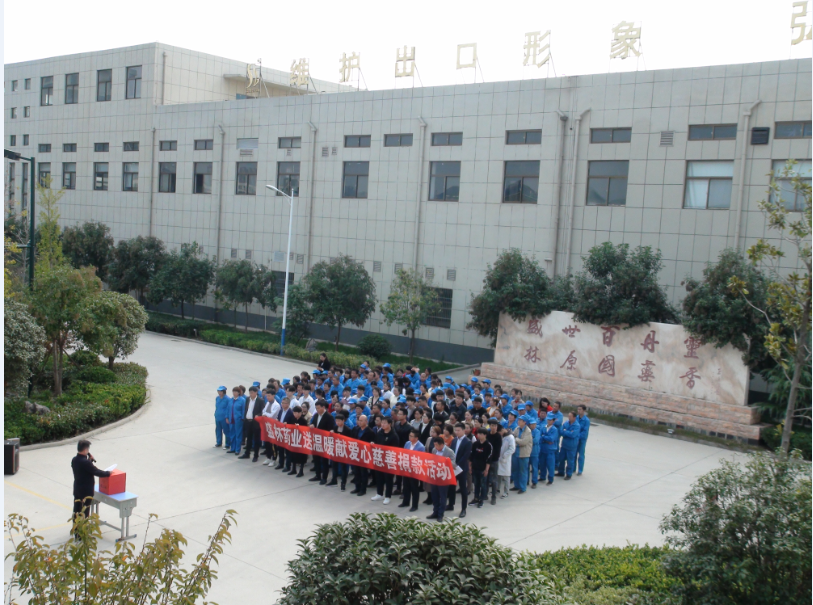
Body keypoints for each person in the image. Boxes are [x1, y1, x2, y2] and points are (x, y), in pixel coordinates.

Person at [71, 439, 111, 525]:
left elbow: (83, 469)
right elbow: (96, 472)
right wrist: (108, 473)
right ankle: (83, 530)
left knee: (77, 509)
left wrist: (89, 460)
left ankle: (75, 528)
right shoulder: (85, 463)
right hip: (86, 492)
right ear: (85, 450)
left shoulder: (74, 460)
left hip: (77, 489)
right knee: (84, 511)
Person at [371, 416, 399, 504]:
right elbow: (376, 441)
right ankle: (379, 494)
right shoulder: (380, 433)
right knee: (379, 477)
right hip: (379, 458)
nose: (382, 425)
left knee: (388, 479)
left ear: (389, 424)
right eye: (382, 423)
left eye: (384, 423)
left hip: (389, 460)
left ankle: (388, 496)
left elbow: (395, 449)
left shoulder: (394, 435)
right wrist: (373, 443)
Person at [427, 436, 455, 522]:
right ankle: (435, 512)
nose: (435, 447)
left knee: (442, 496)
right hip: (435, 476)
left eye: (437, 445)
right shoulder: (434, 450)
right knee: (434, 495)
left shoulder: (449, 451)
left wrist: (446, 461)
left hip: (444, 477)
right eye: (434, 445)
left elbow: (454, 463)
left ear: (442, 444)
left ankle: (440, 514)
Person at [446, 423, 472, 518]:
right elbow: (451, 452)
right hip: (453, 467)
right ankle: (450, 504)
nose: (457, 432)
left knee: (463, 488)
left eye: (458, 430)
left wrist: (456, 465)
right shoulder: (454, 440)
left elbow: (465, 456)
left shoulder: (467, 442)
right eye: (455, 430)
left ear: (463, 430)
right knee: (451, 487)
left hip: (461, 468)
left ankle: (463, 508)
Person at [309, 399, 336, 484]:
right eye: (316, 408)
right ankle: (317, 475)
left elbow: (331, 429)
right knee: (316, 459)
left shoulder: (329, 417)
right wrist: (312, 426)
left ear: (323, 407)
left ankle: (324, 477)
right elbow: (313, 424)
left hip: (324, 441)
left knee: (324, 461)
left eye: (318, 408)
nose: (317, 410)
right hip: (316, 440)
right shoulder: (316, 415)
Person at [398, 428, 425, 512]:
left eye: (411, 436)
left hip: (414, 470)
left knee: (414, 488)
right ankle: (405, 502)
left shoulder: (421, 447)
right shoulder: (407, 443)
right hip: (406, 468)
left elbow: (421, 459)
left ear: (416, 438)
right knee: (406, 486)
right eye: (409, 435)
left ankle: (414, 505)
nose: (409, 437)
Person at [468, 428, 493, 508]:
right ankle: (476, 498)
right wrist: (470, 466)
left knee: (483, 484)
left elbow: (489, 459)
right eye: (478, 434)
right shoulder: (475, 444)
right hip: (475, 467)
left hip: (483, 468)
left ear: (485, 435)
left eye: (481, 434)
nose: (478, 435)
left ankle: (482, 499)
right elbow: (471, 456)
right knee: (476, 484)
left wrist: (486, 470)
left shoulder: (488, 445)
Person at [329, 411, 354, 490]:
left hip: (344, 451)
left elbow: (350, 441)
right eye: (336, 421)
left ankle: (343, 483)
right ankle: (334, 480)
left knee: (343, 468)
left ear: (343, 421)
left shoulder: (347, 430)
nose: (337, 422)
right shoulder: (335, 428)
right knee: (334, 466)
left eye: (339, 421)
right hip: (336, 449)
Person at [240, 386, 265, 462]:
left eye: (252, 392)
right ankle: (247, 453)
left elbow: (263, 411)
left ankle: (256, 455)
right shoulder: (247, 399)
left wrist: (258, 415)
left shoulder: (260, 400)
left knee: (256, 439)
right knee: (249, 438)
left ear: (256, 392)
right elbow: (246, 409)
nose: (251, 394)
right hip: (248, 421)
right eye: (250, 392)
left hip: (255, 422)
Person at [352, 415, 374, 496]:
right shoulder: (357, 429)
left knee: (363, 473)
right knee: (356, 472)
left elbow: (372, 442)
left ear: (366, 421)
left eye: (361, 421)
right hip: (356, 453)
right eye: (359, 420)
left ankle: (363, 489)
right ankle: (357, 487)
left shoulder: (370, 432)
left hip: (364, 454)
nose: (360, 422)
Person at [511, 415, 533, 494]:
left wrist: (516, 439)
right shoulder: (517, 429)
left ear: (524, 422)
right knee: (515, 470)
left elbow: (523, 442)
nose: (518, 421)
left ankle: (523, 487)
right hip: (516, 453)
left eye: (520, 420)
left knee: (523, 471)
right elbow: (513, 437)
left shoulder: (528, 431)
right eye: (518, 420)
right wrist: (517, 440)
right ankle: (516, 485)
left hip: (524, 454)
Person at [557, 412, 581, 480]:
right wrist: (568, 432)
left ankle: (569, 474)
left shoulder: (577, 425)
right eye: (568, 416)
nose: (569, 418)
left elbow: (573, 435)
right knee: (561, 459)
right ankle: (561, 472)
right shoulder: (566, 423)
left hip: (571, 446)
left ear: (574, 417)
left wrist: (565, 431)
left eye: (570, 416)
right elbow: (561, 431)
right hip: (564, 445)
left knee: (570, 461)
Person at [286, 405, 309, 477]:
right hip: (294, 440)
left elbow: (306, 431)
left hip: (301, 441)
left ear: (300, 413)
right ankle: (294, 469)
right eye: (294, 413)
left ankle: (301, 471)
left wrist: (299, 427)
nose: (294, 414)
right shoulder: (293, 419)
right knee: (293, 455)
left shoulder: (303, 420)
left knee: (301, 456)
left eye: (296, 413)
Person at [485, 418, 503, 505]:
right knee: (486, 478)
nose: (494, 427)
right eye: (492, 425)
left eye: (495, 426)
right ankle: (485, 494)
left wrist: (491, 459)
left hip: (494, 460)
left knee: (494, 480)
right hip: (486, 460)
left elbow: (497, 450)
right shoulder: (487, 435)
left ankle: (493, 497)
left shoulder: (498, 437)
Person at [539, 412, 559, 485]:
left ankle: (550, 479)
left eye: (550, 420)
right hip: (543, 449)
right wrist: (546, 439)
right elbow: (539, 437)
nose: (549, 421)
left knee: (550, 465)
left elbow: (552, 439)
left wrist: (543, 437)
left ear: (553, 421)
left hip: (550, 450)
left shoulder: (554, 429)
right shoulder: (543, 427)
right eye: (548, 420)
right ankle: (542, 476)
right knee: (542, 464)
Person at [497, 425, 515, 498]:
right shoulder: (501, 437)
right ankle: (497, 489)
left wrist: (504, 455)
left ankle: (506, 492)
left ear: (503, 430)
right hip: (499, 458)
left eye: (500, 432)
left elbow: (512, 449)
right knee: (498, 475)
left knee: (506, 476)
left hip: (505, 459)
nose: (500, 434)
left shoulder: (510, 437)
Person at [227, 387, 245, 454]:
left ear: (239, 393)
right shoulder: (231, 400)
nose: (234, 393)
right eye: (233, 391)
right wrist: (227, 417)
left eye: (236, 392)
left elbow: (243, 410)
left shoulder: (242, 400)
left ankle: (237, 449)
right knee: (232, 434)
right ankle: (232, 448)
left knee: (238, 435)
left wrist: (242, 418)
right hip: (231, 420)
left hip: (238, 420)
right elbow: (228, 409)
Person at [576, 405, 590, 476]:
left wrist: (577, 436)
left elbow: (585, 431)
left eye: (580, 409)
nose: (578, 411)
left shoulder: (586, 420)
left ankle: (580, 470)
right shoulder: (576, 418)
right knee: (574, 454)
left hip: (582, 439)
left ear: (584, 410)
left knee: (581, 454)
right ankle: (573, 468)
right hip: (575, 438)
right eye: (578, 409)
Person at [528, 418, 541, 489]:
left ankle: (534, 482)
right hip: (527, 452)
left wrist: (527, 440)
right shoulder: (527, 431)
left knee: (534, 468)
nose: (533, 425)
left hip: (534, 452)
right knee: (526, 467)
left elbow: (535, 441)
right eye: (531, 424)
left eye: (534, 424)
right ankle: (526, 481)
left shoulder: (537, 432)